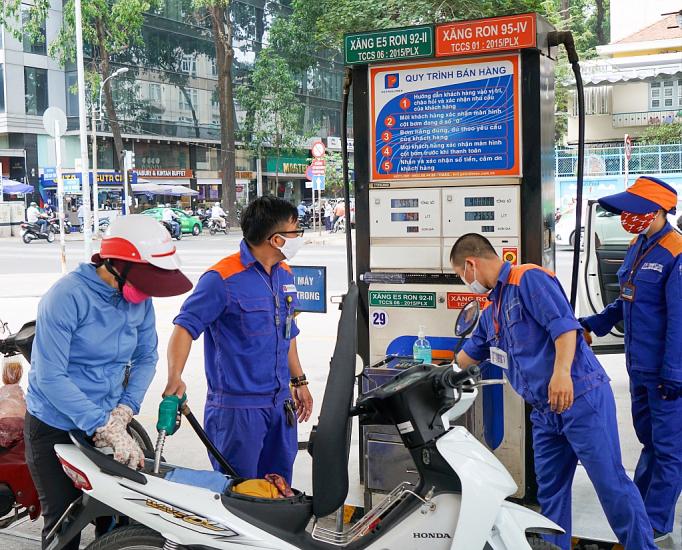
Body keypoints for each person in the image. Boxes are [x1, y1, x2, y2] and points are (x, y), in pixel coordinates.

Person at [451, 233, 656, 550]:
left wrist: (561, 374)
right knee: (551, 495)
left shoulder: (528, 278)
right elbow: (469, 354)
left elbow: (565, 328)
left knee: (611, 485)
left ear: (470, 264)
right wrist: (435, 376)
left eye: (461, 275)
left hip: (580, 397)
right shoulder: (492, 309)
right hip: (545, 413)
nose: (466, 283)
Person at [24, 215, 192, 550]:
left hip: (109, 418)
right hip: (54, 425)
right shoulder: (67, 296)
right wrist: (101, 423)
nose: (148, 290)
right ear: (117, 264)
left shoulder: (139, 300)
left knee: (117, 514)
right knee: (65, 521)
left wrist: (125, 409)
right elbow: (50, 376)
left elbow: (146, 357)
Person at [166, 196, 313, 484]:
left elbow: (288, 331)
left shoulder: (284, 274)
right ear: (277, 240)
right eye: (296, 231)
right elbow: (184, 328)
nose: (300, 237)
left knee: (278, 489)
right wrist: (174, 377)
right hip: (237, 411)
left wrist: (299, 381)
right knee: (240, 493)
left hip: (280, 406)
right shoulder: (221, 279)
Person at [580, 176, 681, 541]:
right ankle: (641, 504)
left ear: (657, 211)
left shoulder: (675, 252)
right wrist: (594, 323)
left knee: (669, 448)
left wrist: (675, 373)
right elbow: (627, 298)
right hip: (639, 367)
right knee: (650, 441)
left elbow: (679, 321)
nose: (627, 216)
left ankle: (656, 521)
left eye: (634, 210)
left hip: (665, 371)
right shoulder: (639, 245)